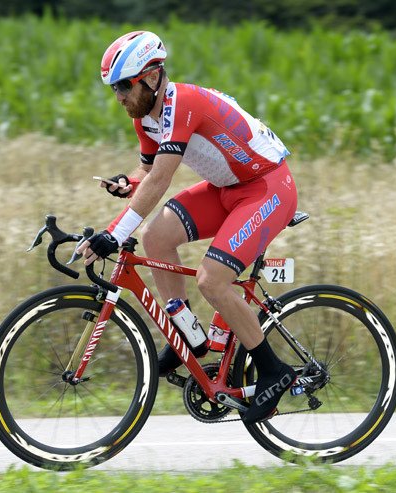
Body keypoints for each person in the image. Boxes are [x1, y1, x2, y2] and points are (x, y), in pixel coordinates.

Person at [77, 31, 297, 425]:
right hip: (228, 188)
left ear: (151, 76)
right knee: (156, 237)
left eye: (124, 86)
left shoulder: (182, 103)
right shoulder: (144, 116)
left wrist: (114, 233)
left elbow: (161, 180)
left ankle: (274, 370)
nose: (119, 97)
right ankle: (189, 339)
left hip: (266, 188)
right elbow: (146, 172)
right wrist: (127, 183)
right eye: (114, 89)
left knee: (212, 280)